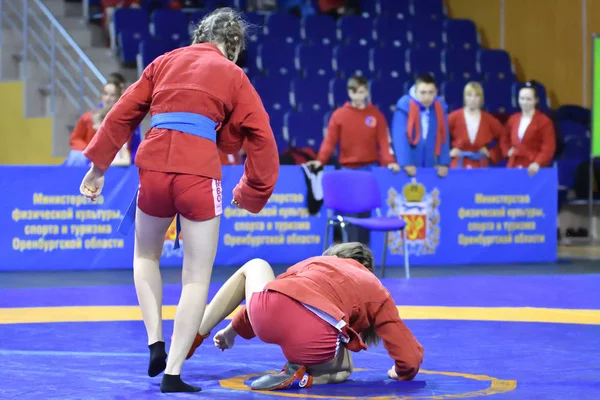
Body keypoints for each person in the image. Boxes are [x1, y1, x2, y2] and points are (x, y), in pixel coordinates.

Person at [78, 7, 280, 393]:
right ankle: (172, 372)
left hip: (153, 168)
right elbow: (262, 137)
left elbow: (121, 113)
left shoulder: (164, 62)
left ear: (200, 34)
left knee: (144, 256)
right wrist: (251, 192)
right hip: (198, 173)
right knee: (195, 279)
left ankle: (155, 340)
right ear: (234, 46)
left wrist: (98, 166)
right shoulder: (234, 75)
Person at [185, 242, 424, 391]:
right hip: (316, 341)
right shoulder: (375, 288)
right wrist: (402, 372)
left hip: (266, 319)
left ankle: (195, 334)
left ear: (333, 255)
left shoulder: (314, 263)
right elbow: (409, 354)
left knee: (256, 266)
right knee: (344, 368)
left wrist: (231, 331)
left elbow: (276, 295)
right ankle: (306, 378)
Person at [308, 75, 399, 245]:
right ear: (349, 93)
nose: (358, 96)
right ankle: (348, 257)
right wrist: (320, 160)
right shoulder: (339, 115)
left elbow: (384, 143)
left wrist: (390, 161)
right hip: (346, 171)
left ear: (367, 92)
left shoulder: (376, 115)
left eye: (362, 92)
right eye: (355, 92)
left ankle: (364, 258)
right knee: (348, 219)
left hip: (369, 171)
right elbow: (330, 141)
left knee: (365, 217)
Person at [391, 74, 450, 178]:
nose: (427, 97)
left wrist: (443, 163)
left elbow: (444, 136)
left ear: (436, 92)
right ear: (415, 91)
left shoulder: (440, 107)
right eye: (423, 93)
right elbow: (399, 137)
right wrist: (406, 163)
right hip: (409, 167)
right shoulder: (404, 106)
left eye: (431, 93)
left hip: (432, 165)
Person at [65, 81, 131, 167]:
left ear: (118, 98)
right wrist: (89, 152)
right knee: (75, 157)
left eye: (112, 95)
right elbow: (75, 139)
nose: (108, 98)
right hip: (88, 159)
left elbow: (127, 153)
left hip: (110, 164)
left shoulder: (123, 122)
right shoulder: (87, 118)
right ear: (101, 96)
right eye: (105, 94)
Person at [501, 81, 556, 176]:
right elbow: (504, 138)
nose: (524, 102)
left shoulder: (544, 121)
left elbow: (548, 147)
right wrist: (507, 151)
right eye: (522, 98)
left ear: (536, 100)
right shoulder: (513, 119)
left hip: (533, 168)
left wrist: (538, 163)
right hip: (513, 166)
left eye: (528, 99)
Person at [448, 82, 504, 168]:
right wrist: (448, 153)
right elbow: (438, 137)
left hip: (480, 165)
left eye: (476, 96)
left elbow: (505, 138)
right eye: (469, 95)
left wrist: (491, 153)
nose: (473, 99)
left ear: (481, 99)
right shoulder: (453, 117)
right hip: (458, 164)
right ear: (464, 97)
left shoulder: (489, 120)